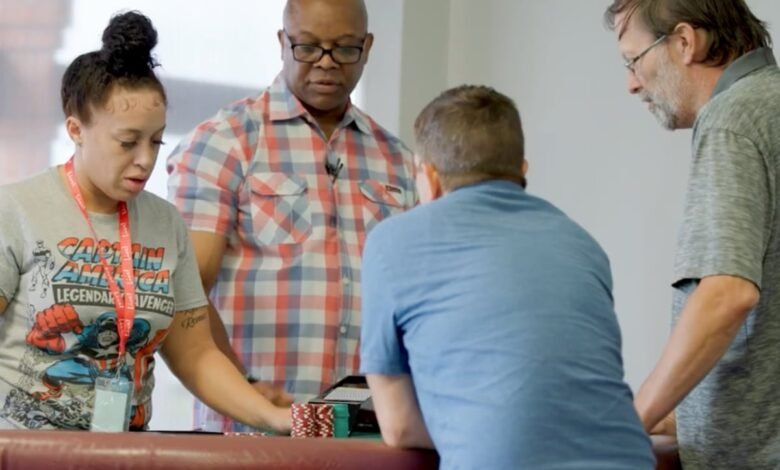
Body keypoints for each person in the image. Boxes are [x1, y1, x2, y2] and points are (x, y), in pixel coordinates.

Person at [0, 11, 291, 433]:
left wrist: (272, 418)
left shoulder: (165, 223)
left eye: (156, 141)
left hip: (128, 451)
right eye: (127, 142)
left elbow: (197, 355)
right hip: (24, 451)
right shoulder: (16, 209)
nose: (145, 159)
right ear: (76, 129)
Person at [359, 85, 655, 469]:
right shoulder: (581, 242)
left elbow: (398, 426)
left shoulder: (391, 242)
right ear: (522, 170)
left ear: (429, 177)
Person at [167, 0, 415, 432]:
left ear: (367, 47)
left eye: (345, 48)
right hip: (248, 430)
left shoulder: (398, 161)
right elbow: (185, 295)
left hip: (367, 432)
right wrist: (244, 391)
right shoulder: (224, 142)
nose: (326, 63)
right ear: (283, 42)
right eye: (308, 47)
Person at [605, 0, 780, 468]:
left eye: (633, 60)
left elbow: (727, 294)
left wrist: (629, 422)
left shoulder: (733, 119)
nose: (632, 83)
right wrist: (686, 414)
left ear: (685, 42)